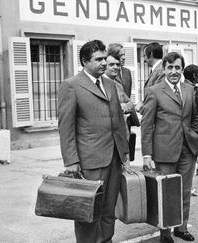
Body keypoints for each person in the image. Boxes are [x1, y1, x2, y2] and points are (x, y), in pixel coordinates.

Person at [58, 40, 129, 243]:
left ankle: (106, 240)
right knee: (87, 212)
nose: (104, 63)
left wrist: (124, 154)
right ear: (84, 61)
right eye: (98, 59)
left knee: (108, 209)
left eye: (104, 59)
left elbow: (117, 122)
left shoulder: (110, 84)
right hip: (89, 161)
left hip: (114, 159)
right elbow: (66, 128)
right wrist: (71, 162)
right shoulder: (71, 85)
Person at [141, 52, 198, 243]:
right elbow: (147, 124)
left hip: (188, 149)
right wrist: (147, 154)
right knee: (166, 194)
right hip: (164, 151)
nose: (174, 71)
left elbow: (195, 117)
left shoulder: (190, 90)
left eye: (177, 67)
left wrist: (194, 135)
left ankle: (182, 228)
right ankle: (165, 234)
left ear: (182, 69)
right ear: (164, 69)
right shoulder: (154, 91)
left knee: (184, 190)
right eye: (170, 67)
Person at [103, 53, 135, 141]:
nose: (116, 67)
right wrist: (119, 106)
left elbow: (130, 104)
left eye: (117, 64)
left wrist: (125, 107)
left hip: (122, 133)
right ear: (104, 66)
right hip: (106, 136)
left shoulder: (118, 85)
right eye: (111, 65)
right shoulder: (99, 85)